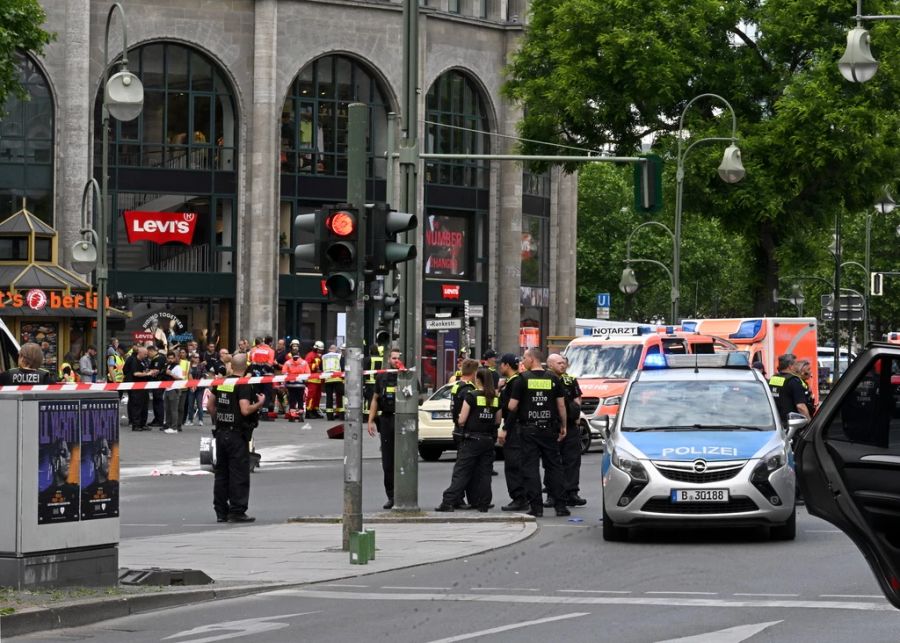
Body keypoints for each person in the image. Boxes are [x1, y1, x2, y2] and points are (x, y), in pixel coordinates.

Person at [507, 348, 569, 517]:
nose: (523, 362)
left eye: (524, 358)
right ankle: (561, 506)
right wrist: (563, 426)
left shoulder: (522, 380)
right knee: (554, 467)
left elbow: (512, 406)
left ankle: (536, 507)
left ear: (531, 359)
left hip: (529, 430)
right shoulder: (554, 379)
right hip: (549, 429)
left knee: (530, 469)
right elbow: (561, 406)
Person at [206, 352, 264, 523]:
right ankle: (237, 511)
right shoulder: (243, 384)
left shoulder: (223, 382)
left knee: (221, 473)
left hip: (221, 432)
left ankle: (221, 512)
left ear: (232, 365)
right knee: (238, 473)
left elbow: (210, 406)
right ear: (245, 366)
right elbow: (245, 410)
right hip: (237, 434)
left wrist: (220, 418)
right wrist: (259, 404)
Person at [436, 367, 501, 512]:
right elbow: (497, 421)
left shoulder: (472, 396)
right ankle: (483, 503)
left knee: (462, 472)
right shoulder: (495, 398)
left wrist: (462, 420)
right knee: (485, 473)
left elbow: (462, 420)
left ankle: (448, 501)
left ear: (478, 379)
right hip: (488, 440)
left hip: (471, 439)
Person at [547, 353, 585, 507]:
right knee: (552, 462)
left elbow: (577, 399)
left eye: (564, 363)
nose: (562, 365)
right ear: (550, 365)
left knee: (572, 460)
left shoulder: (570, 380)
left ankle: (572, 493)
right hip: (552, 426)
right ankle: (552, 494)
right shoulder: (545, 380)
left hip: (570, 425)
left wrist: (577, 416)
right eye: (559, 363)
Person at [367, 348, 404, 509]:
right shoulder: (381, 376)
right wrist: (370, 421)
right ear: (389, 359)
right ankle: (391, 496)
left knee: (404, 460)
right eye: (394, 358)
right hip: (387, 419)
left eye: (398, 358)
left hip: (404, 420)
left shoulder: (407, 375)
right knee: (388, 462)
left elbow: (418, 399)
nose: (396, 361)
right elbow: (375, 399)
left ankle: (404, 495)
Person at [497, 353, 527, 511]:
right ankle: (524, 496)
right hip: (519, 428)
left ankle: (519, 498)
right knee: (520, 463)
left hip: (514, 428)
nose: (500, 367)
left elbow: (512, 409)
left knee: (513, 465)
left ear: (507, 365)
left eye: (501, 364)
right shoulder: (515, 381)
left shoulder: (515, 382)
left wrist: (505, 429)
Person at [449, 358, 480, 508]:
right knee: (464, 468)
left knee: (463, 466)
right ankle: (456, 498)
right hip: (464, 430)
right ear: (474, 373)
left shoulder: (457, 385)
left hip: (458, 429)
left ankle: (469, 498)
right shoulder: (468, 389)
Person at [769, 353, 811, 426]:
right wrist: (809, 423)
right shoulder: (794, 381)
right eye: (795, 364)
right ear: (790, 366)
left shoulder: (772, 379)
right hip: (791, 425)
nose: (797, 367)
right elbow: (801, 407)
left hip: (775, 423)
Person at [123, 345, 155, 431]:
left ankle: (143, 424)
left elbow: (144, 370)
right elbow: (135, 373)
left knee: (145, 405)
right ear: (140, 353)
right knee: (137, 405)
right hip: (135, 386)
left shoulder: (144, 361)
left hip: (144, 386)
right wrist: (146, 374)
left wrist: (149, 372)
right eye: (144, 354)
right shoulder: (134, 360)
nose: (146, 356)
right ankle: (136, 425)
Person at [283, 340, 310, 420]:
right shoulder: (304, 362)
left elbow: (284, 373)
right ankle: (301, 414)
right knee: (300, 400)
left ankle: (292, 415)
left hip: (291, 385)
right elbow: (308, 374)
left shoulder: (287, 362)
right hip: (301, 385)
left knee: (292, 400)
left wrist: (286, 382)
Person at [162, 350, 185, 433]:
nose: (170, 360)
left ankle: (174, 427)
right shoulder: (168, 366)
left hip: (174, 390)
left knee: (174, 410)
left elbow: (180, 378)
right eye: (169, 358)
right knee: (167, 409)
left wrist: (171, 374)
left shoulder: (177, 367)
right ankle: (168, 425)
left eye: (172, 358)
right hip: (167, 389)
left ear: (175, 358)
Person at [322, 344, 345, 420]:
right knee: (340, 397)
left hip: (328, 379)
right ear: (335, 349)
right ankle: (341, 415)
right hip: (337, 378)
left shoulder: (323, 356)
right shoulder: (339, 356)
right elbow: (343, 366)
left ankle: (329, 416)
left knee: (329, 397)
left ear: (329, 349)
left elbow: (320, 367)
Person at [146, 345, 167, 427]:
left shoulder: (159, 358)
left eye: (148, 352)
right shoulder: (156, 358)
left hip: (159, 382)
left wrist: (146, 373)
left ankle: (159, 420)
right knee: (156, 401)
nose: (148, 354)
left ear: (151, 351)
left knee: (158, 401)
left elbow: (155, 371)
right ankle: (157, 419)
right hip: (156, 382)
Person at [305, 340, 325, 418]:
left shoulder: (319, 356)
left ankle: (314, 410)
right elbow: (306, 365)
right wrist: (315, 367)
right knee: (311, 396)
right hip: (312, 379)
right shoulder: (310, 355)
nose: (321, 351)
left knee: (317, 396)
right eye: (320, 349)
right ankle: (308, 411)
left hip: (319, 379)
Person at [185, 353, 206, 425]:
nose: (197, 358)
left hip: (199, 388)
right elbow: (187, 376)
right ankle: (190, 420)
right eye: (196, 357)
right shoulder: (188, 366)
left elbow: (204, 375)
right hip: (191, 387)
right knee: (190, 404)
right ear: (192, 358)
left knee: (199, 404)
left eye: (198, 357)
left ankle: (201, 420)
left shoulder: (201, 366)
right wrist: (192, 386)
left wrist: (197, 385)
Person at [363, 344, 383, 412]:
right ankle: (378, 413)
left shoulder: (368, 359)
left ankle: (367, 413)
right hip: (379, 382)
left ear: (370, 351)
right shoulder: (382, 359)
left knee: (369, 398)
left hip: (369, 382)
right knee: (379, 398)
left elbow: (364, 371)